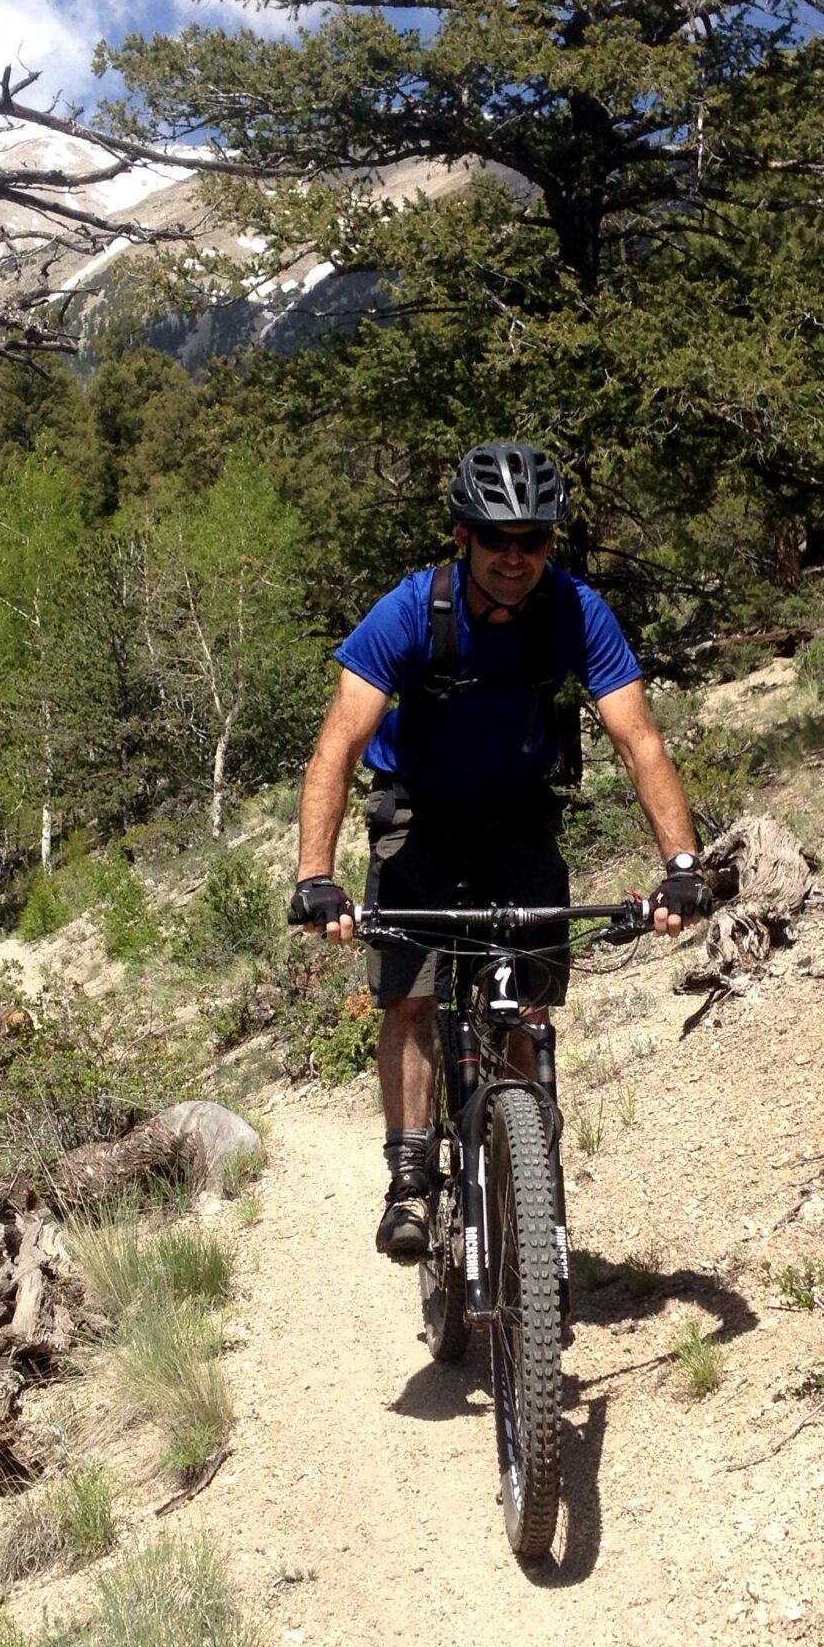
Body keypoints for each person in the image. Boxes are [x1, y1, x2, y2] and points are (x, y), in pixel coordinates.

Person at [285, 441, 711, 1262]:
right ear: (462, 537)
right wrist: (316, 877)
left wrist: (682, 868)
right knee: (409, 994)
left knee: (529, 1003)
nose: (515, 558)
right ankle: (409, 1179)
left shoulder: (575, 611)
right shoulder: (409, 613)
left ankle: (523, 1165)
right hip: (420, 813)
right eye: (496, 539)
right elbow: (336, 748)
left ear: (551, 543)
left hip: (518, 814)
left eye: (534, 541)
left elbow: (640, 741)